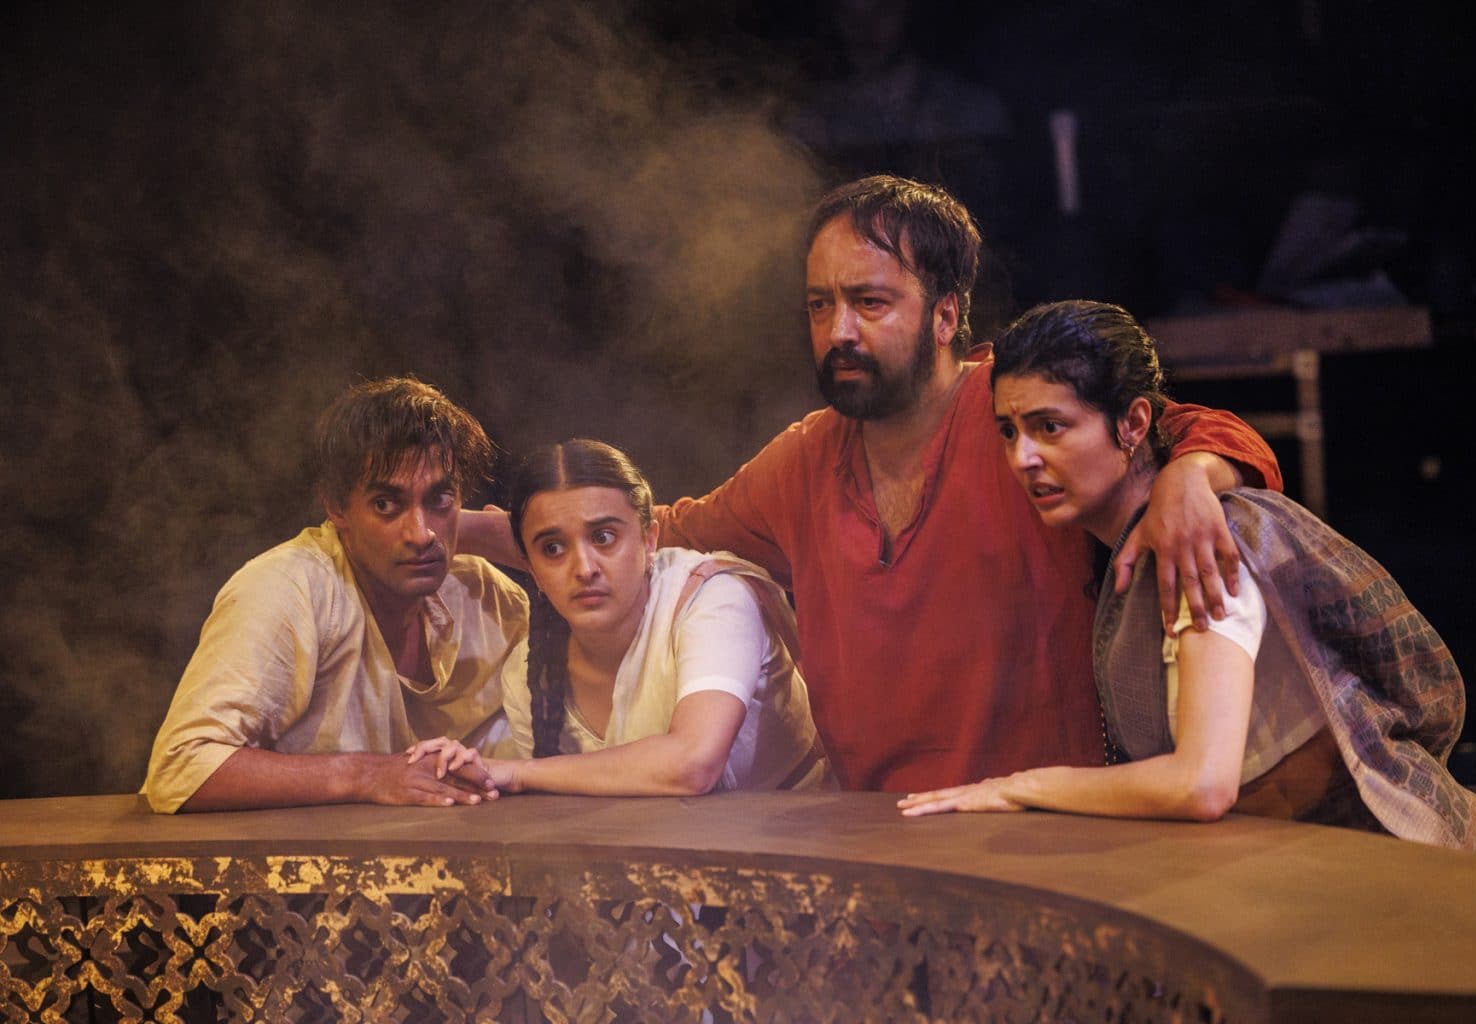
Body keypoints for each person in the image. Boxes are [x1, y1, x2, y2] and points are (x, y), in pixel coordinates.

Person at [460, 175, 1281, 793]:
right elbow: (650, 534)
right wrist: (461, 530)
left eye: (870, 302)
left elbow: (1199, 433)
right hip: (872, 844)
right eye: (821, 305)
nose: (839, 331)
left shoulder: (1014, 418)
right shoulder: (804, 459)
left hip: (1041, 830)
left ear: (947, 314)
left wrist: (1190, 476)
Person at [899, 300, 1476, 854]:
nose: (1023, 457)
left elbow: (1202, 783)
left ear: (1133, 423)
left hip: (1387, 868)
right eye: (1009, 432)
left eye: (1050, 427)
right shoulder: (1135, 544)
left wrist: (1018, 787)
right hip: (1289, 865)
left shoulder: (1200, 541)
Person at [140, 377, 530, 813]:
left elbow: (569, 735)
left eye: (440, 499)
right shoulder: (288, 588)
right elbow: (181, 767)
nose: (421, 534)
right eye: (386, 504)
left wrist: (526, 542)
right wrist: (368, 775)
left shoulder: (484, 594)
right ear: (336, 507)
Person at [409, 439, 831, 796]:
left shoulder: (711, 599)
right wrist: (463, 772)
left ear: (649, 540)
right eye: (553, 548)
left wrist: (514, 771)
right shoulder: (526, 673)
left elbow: (693, 762)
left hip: (801, 849)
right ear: (531, 567)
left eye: (604, 537)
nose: (584, 568)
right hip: (654, 860)